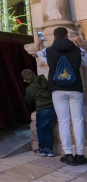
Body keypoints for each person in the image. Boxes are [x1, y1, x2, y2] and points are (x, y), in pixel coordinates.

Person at [37, 27, 87, 166]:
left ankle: (69, 155)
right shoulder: (77, 49)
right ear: (67, 36)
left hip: (57, 89)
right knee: (78, 121)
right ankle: (80, 155)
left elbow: (38, 54)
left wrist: (38, 42)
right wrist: (81, 44)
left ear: (54, 37)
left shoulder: (48, 51)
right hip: (75, 88)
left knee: (63, 121)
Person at [21, 69, 56, 157]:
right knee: (49, 130)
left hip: (42, 109)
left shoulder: (30, 89)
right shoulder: (43, 80)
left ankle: (42, 149)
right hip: (52, 108)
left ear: (24, 80)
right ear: (33, 73)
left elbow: (29, 101)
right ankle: (50, 150)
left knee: (40, 130)